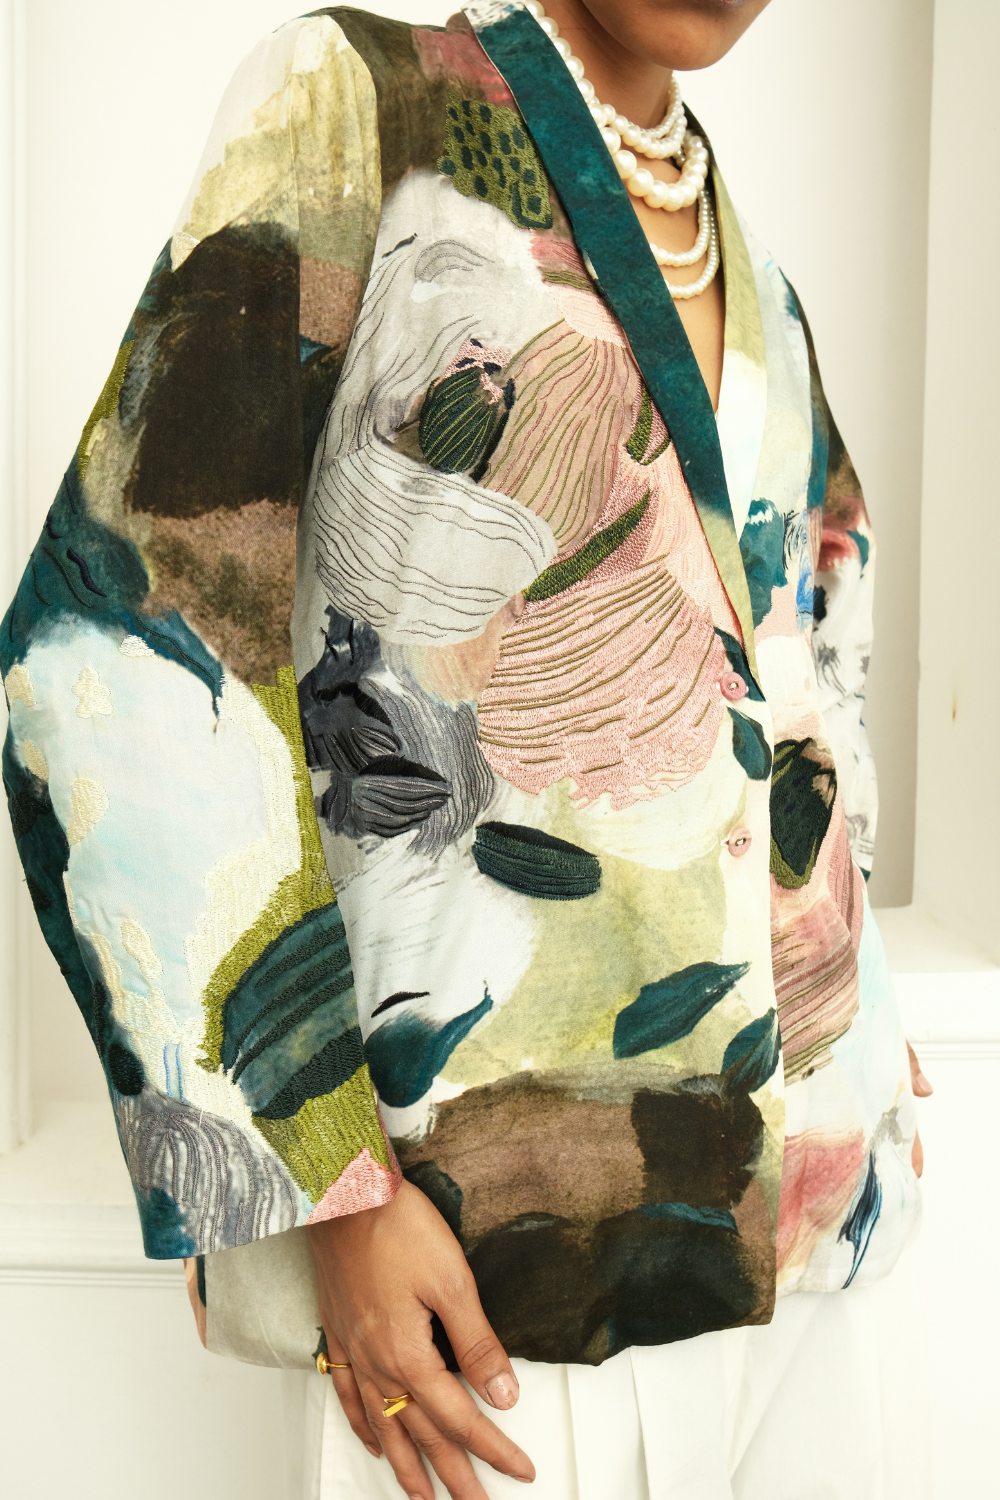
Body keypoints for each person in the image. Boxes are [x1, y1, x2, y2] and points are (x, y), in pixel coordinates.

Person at [1, 2, 931, 1497]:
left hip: (812, 1223)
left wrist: (853, 997)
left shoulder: (750, 264)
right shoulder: (361, 107)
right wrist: (328, 1188)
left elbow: (813, 641)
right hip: (474, 1273)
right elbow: (114, 652)